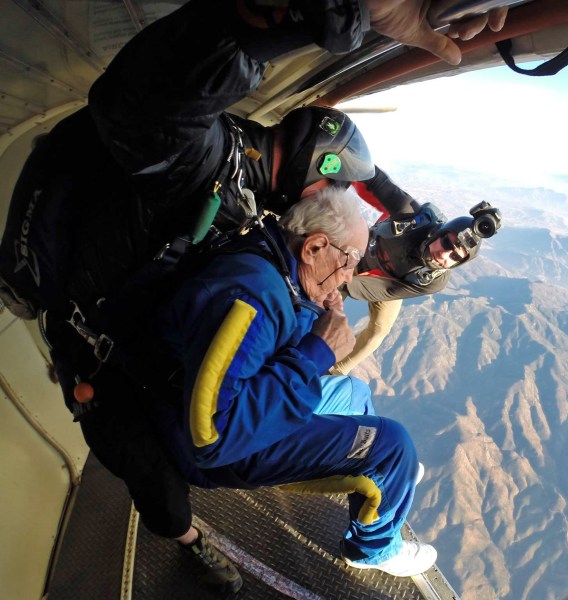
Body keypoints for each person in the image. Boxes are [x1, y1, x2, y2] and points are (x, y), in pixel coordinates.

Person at [0, 0, 508, 593]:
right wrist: (282, 20)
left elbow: (338, 259)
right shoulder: (208, 169)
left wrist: (417, 244)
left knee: (355, 394)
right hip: (152, 387)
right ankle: (328, 542)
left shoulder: (260, 214)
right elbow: (143, 100)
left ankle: (362, 474)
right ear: (316, 214)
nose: (347, 273)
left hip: (167, 348)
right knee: (380, 446)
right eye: (336, 186)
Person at [155, 185, 436, 576]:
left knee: (355, 392)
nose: (352, 274)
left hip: (234, 403)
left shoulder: (271, 258)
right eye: (351, 259)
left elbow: (265, 343)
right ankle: (374, 549)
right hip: (221, 449)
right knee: (392, 444)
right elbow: (214, 435)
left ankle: (385, 479)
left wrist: (316, 308)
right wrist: (318, 350)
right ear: (315, 247)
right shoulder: (250, 299)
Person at [331, 182, 502, 375]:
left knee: (377, 332)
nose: (444, 255)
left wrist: (338, 284)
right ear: (440, 232)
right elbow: (373, 180)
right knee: (322, 296)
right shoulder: (412, 216)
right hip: (358, 250)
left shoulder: (433, 280)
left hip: (389, 281)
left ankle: (333, 373)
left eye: (455, 257)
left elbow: (384, 289)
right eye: (446, 242)